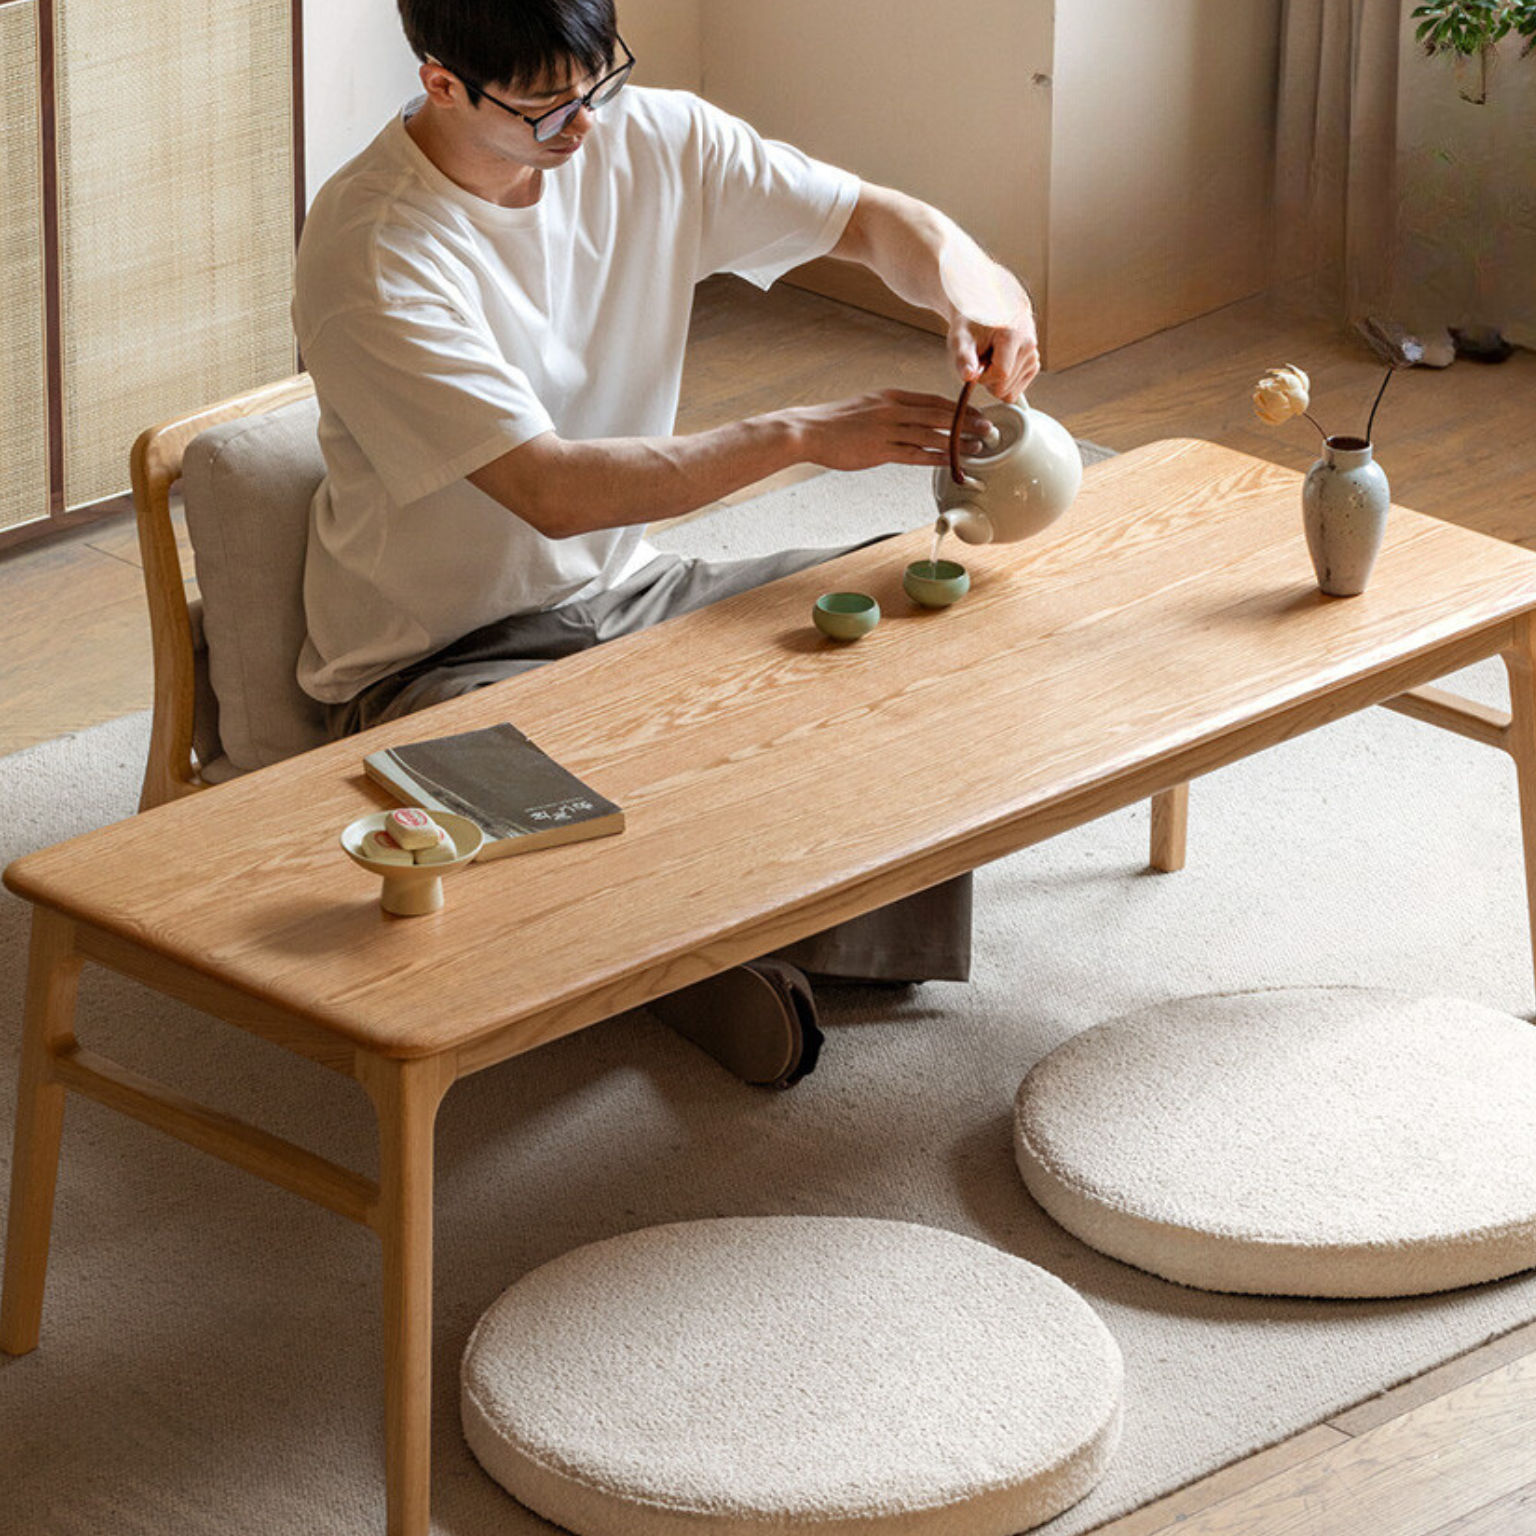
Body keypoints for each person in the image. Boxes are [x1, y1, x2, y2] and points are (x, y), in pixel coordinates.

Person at [293, 0, 1041, 1088]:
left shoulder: (650, 133)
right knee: (595, 790)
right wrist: (798, 437)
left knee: (917, 615)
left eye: (598, 83)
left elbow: (871, 221)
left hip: (633, 599)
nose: (585, 126)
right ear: (441, 82)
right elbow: (548, 490)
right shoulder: (373, 244)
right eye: (547, 108)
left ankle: (724, 941)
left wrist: (972, 286)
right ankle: (705, 951)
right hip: (440, 664)